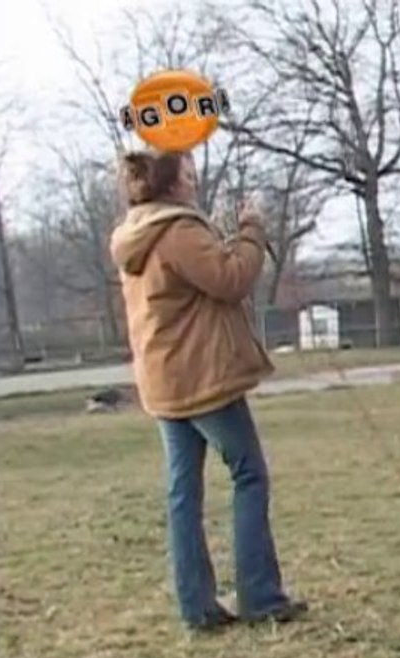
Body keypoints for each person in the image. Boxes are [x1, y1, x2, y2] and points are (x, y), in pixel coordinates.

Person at [110, 148, 307, 631]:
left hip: (163, 381)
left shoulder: (137, 232)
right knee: (249, 475)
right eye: (190, 173)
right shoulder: (177, 231)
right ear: (173, 182)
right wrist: (251, 230)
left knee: (183, 492)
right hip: (201, 380)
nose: (196, 180)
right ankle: (260, 596)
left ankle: (196, 606)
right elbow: (230, 278)